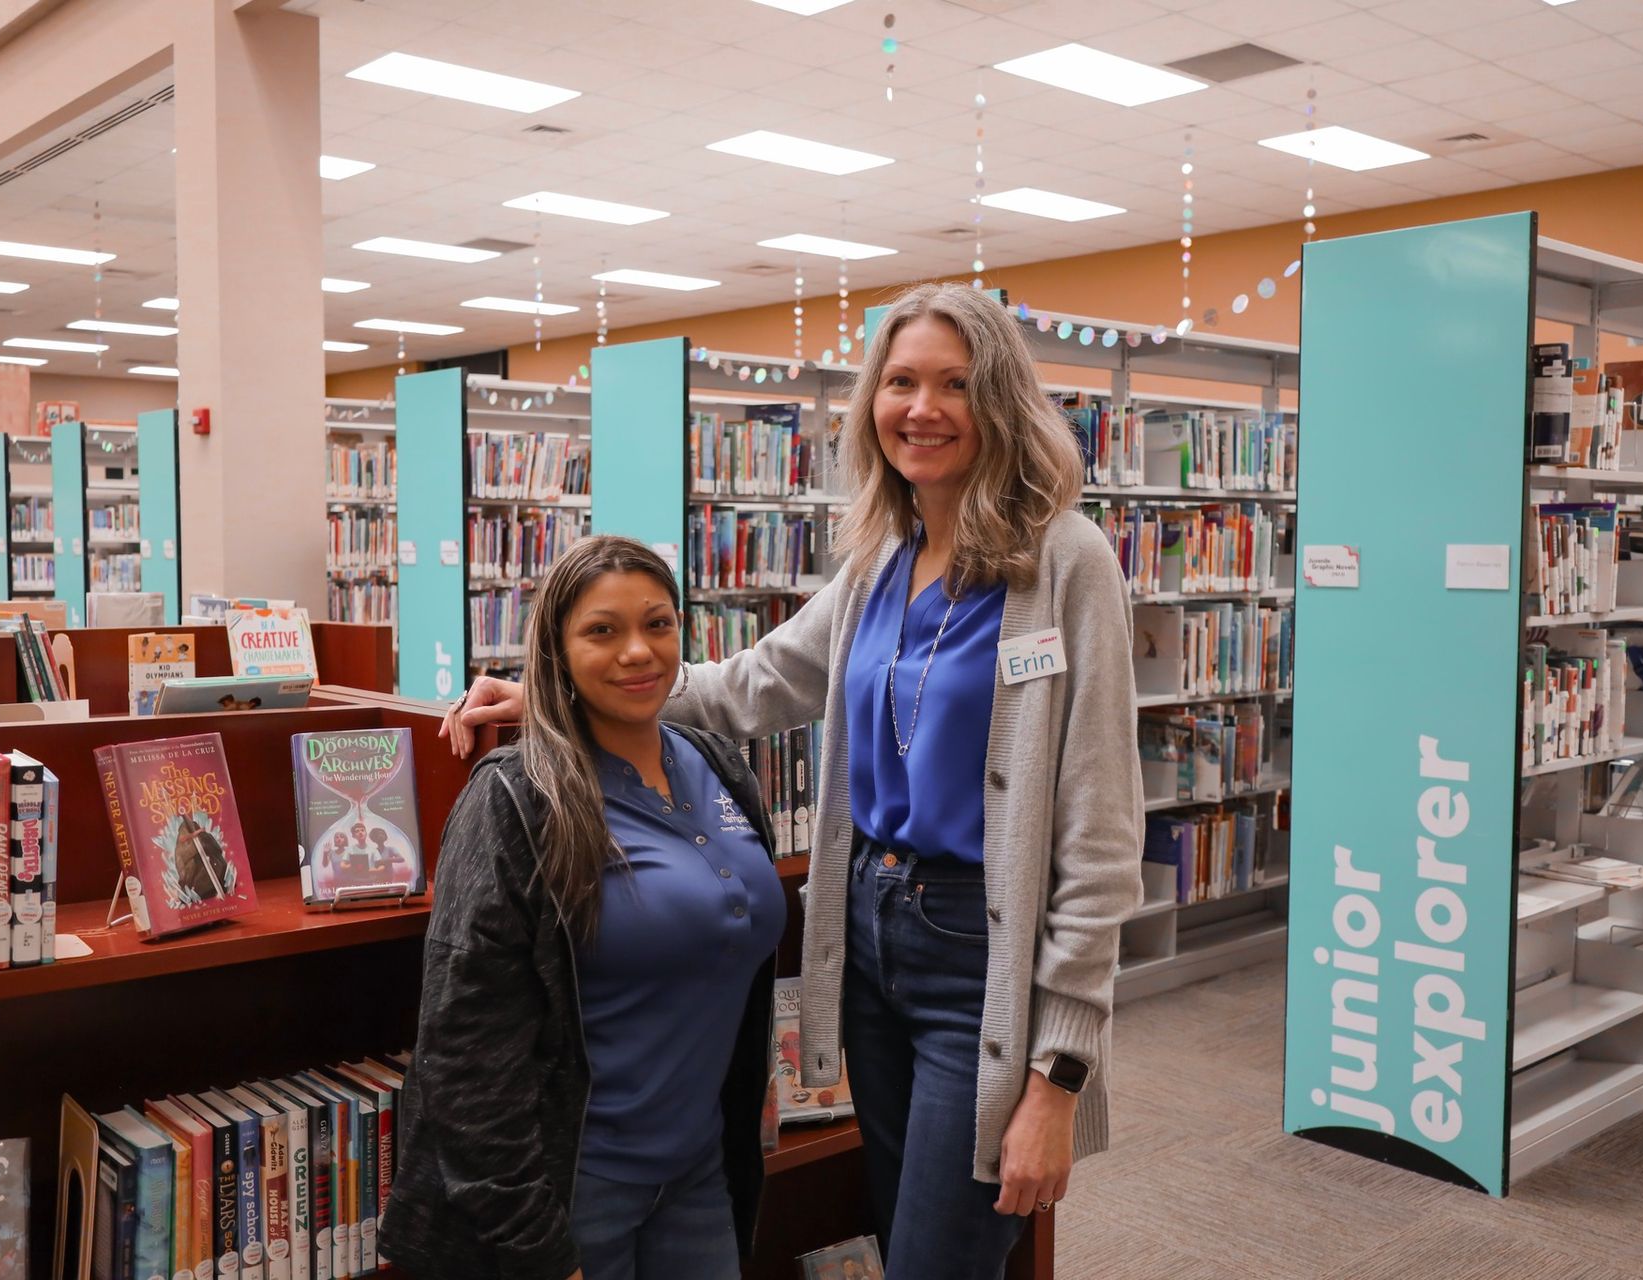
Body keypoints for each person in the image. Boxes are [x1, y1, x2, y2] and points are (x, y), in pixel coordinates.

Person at [443, 283, 1143, 1279]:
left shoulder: (1066, 561)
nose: (922, 407)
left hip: (978, 956)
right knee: (906, 1231)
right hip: (868, 939)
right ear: (872, 402)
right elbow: (751, 683)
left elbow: (1103, 838)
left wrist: (1059, 1077)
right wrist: (560, 689)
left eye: (954, 383)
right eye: (900, 381)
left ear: (1001, 401)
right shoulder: (879, 562)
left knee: (944, 1257)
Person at [383, 535, 786, 1280]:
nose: (639, 651)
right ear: (557, 652)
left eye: (658, 623)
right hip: (572, 1187)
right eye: (602, 631)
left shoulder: (722, 767)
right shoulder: (516, 798)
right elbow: (464, 1053)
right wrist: (532, 1243)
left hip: (699, 1170)